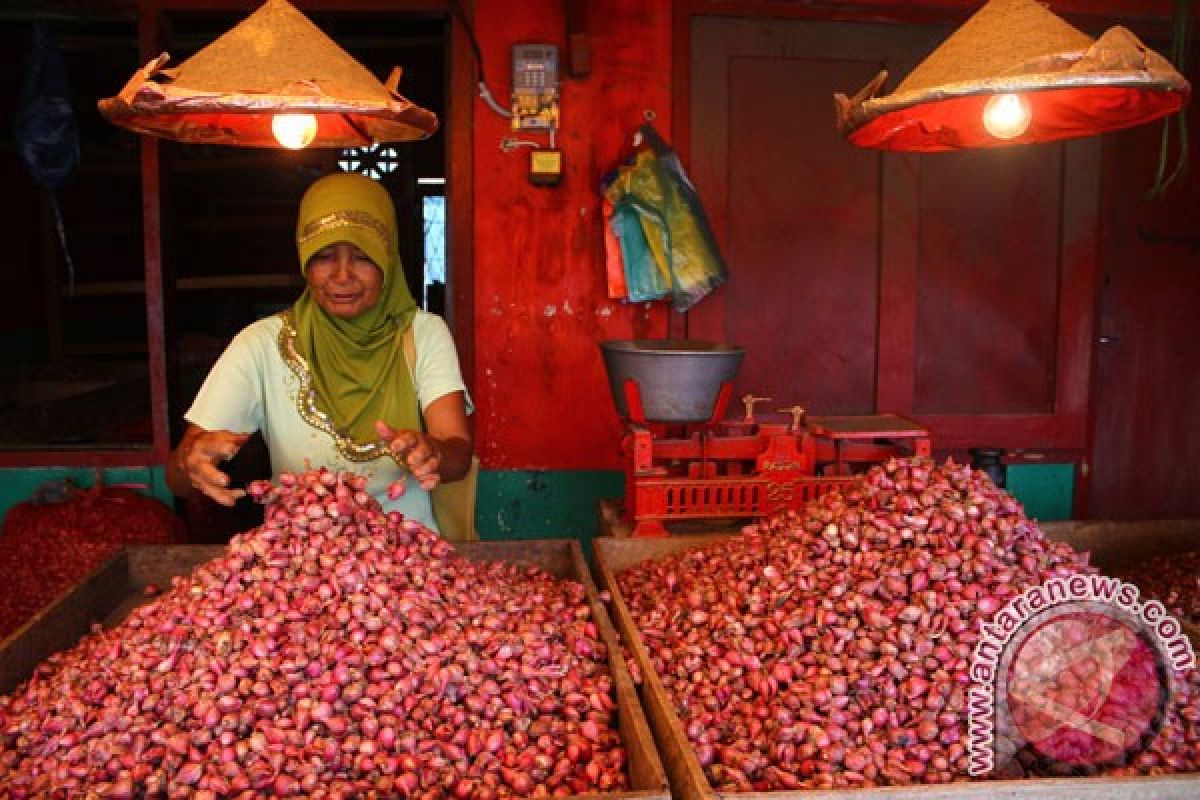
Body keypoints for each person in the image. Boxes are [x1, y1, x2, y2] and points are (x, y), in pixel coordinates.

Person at [166, 172, 472, 533]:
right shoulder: (262, 345)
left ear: (388, 259)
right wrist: (194, 461)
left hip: (409, 565)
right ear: (303, 260)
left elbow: (459, 456)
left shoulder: (423, 334)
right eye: (324, 257)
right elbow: (176, 480)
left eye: (362, 257)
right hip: (299, 564)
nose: (342, 275)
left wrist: (432, 452)